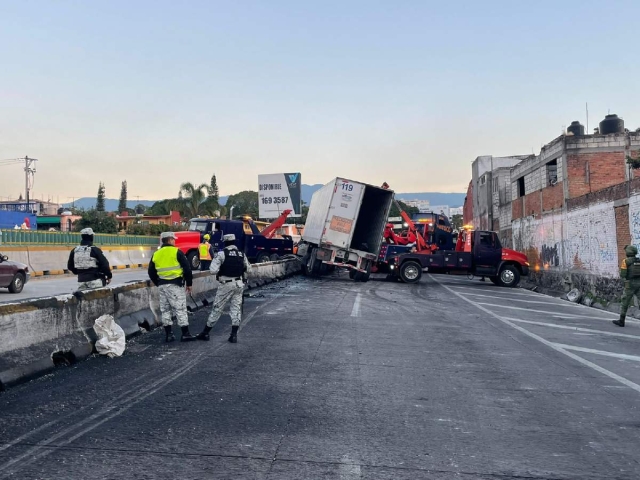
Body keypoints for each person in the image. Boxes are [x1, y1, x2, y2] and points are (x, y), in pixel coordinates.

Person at [196, 233, 251, 343]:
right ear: (234, 242)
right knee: (236, 309)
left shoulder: (222, 254)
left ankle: (205, 333)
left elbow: (212, 270)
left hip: (226, 284)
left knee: (217, 308)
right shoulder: (241, 254)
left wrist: (221, 269)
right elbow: (248, 269)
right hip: (239, 284)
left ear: (225, 242)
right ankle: (234, 335)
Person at [148, 231, 195, 342]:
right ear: (169, 240)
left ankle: (169, 335)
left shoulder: (156, 254)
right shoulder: (176, 252)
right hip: (175, 285)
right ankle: (185, 334)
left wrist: (158, 282)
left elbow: (151, 272)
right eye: (173, 239)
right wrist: (189, 284)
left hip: (162, 285)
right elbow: (187, 269)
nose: (174, 241)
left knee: (165, 310)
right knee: (180, 309)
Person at [613, 244, 640, 327]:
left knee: (625, 302)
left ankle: (621, 321)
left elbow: (623, 274)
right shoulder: (638, 260)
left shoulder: (626, 261)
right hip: (639, 283)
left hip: (629, 284)